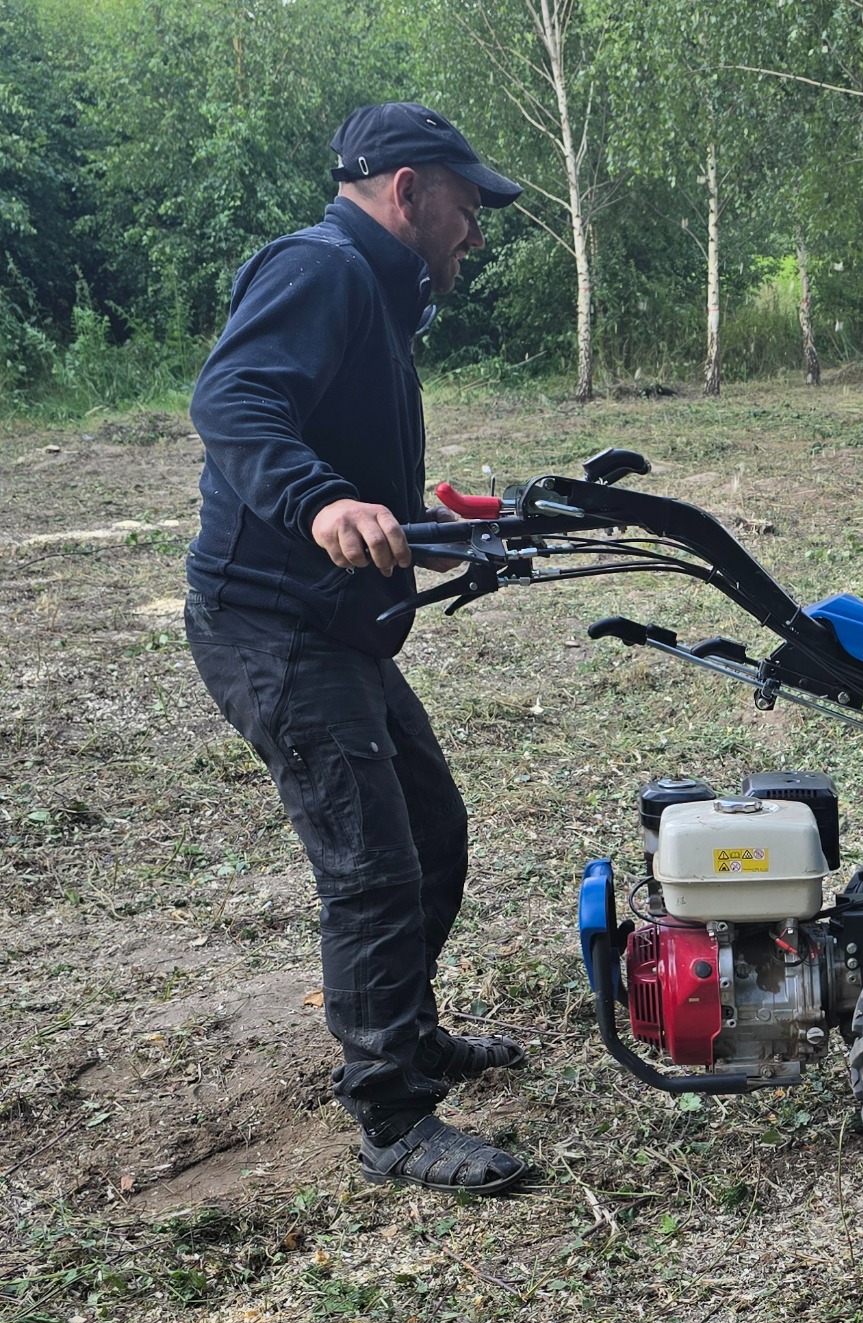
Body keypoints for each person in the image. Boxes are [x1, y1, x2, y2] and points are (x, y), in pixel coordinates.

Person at [185, 103, 531, 1193]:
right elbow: (233, 400)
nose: (474, 231)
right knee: (372, 866)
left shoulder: (377, 292)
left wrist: (425, 537)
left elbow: (342, 455)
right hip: (274, 626)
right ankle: (391, 1117)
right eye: (467, 207)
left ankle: (409, 1034)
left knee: (431, 829)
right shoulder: (322, 268)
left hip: (337, 623)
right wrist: (322, 501)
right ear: (408, 190)